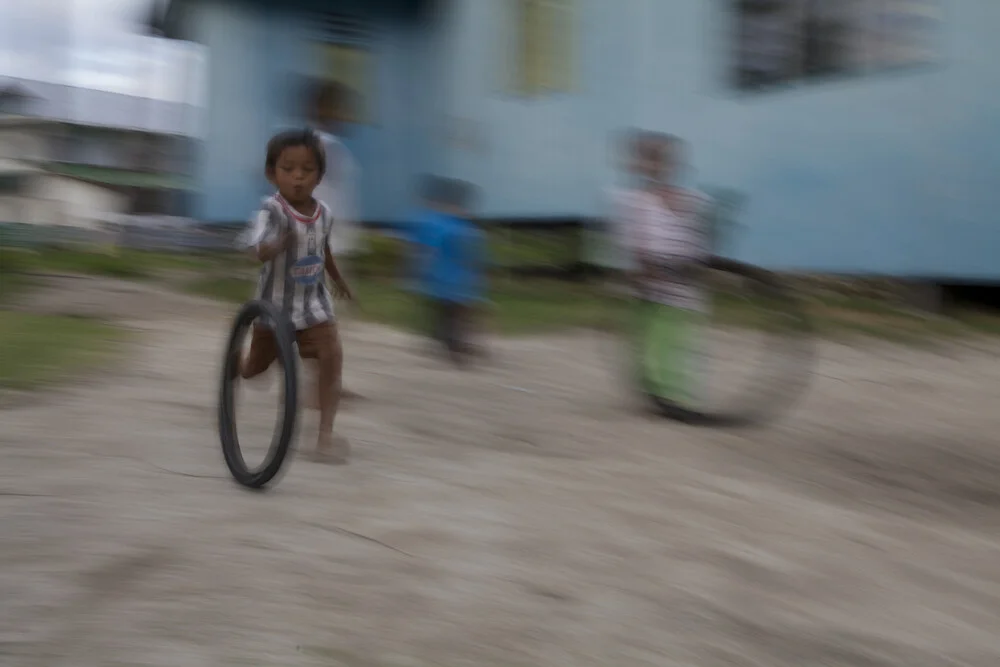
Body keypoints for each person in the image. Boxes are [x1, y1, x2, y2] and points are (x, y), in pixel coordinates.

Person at [235, 129, 354, 463]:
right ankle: (238, 365)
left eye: (307, 169)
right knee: (255, 371)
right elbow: (255, 251)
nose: (298, 177)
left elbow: (323, 248)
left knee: (332, 359)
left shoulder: (325, 213)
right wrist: (277, 244)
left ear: (320, 175)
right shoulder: (270, 211)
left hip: (315, 304)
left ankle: (324, 438)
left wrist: (339, 281)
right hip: (274, 308)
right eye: (288, 169)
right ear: (271, 173)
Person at [617, 131, 709, 406]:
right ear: (639, 164)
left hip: (681, 285)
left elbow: (697, 243)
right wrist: (641, 271)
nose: (655, 166)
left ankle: (673, 393)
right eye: (648, 159)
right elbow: (633, 244)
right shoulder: (634, 201)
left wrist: (694, 267)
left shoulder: (690, 201)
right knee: (653, 338)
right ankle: (657, 391)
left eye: (661, 159)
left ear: (674, 164)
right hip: (652, 285)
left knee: (677, 339)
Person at [305, 79, 364, 403]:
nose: (348, 116)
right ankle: (320, 388)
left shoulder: (323, 145)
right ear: (325, 108)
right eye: (342, 108)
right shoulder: (322, 147)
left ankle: (325, 384)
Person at [409, 176, 487, 365]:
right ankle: (453, 346)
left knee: (452, 313)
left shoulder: (453, 223)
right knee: (452, 313)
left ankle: (450, 342)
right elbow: (428, 250)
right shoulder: (443, 223)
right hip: (446, 278)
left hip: (456, 278)